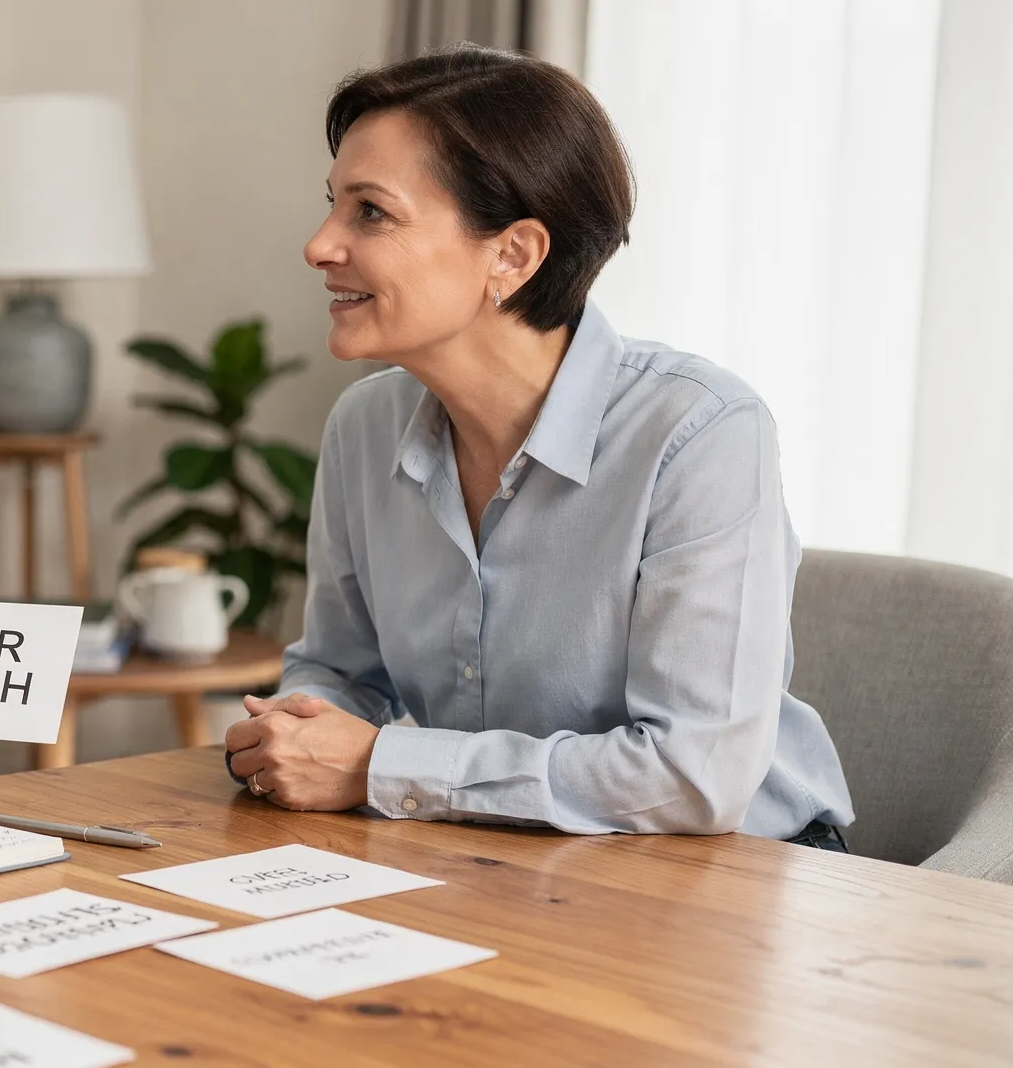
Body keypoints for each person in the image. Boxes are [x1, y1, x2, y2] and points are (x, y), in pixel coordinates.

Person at [222, 47, 853, 847]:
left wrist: (380, 765)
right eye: (332, 206)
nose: (319, 245)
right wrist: (297, 732)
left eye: (370, 212)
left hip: (732, 868)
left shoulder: (699, 433)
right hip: (501, 850)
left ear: (513, 254)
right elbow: (342, 670)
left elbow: (695, 777)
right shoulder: (363, 426)